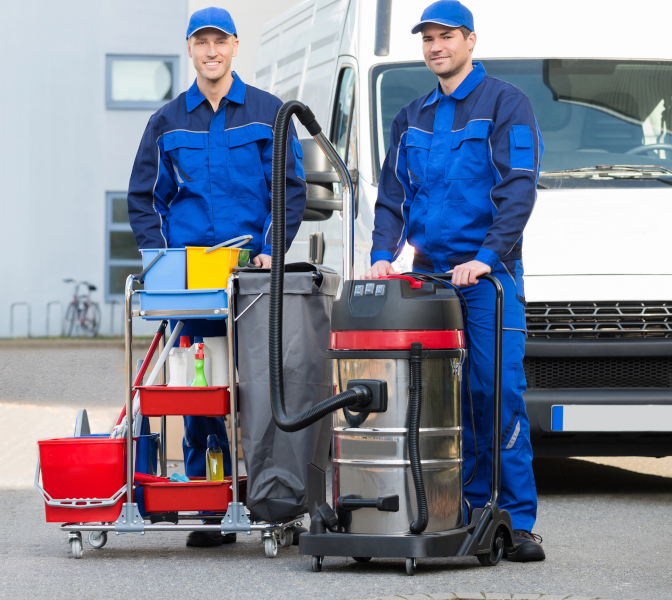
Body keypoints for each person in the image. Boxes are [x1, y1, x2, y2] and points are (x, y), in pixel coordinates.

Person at [363, 0, 545, 561]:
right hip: (429, 283)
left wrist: (488, 256)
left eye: (446, 37)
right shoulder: (410, 116)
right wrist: (379, 254)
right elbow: (393, 196)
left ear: (470, 40)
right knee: (439, 403)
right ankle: (456, 513)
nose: (435, 47)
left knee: (496, 393)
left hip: (487, 279)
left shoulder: (506, 104)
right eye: (428, 39)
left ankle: (514, 521)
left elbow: (520, 186)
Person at [128, 7, 306, 547]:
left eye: (220, 42)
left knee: (261, 385)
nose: (211, 51)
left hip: (253, 278)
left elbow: (290, 189)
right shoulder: (167, 122)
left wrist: (272, 251)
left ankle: (270, 497)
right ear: (190, 49)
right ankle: (212, 502)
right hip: (193, 281)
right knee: (197, 389)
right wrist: (163, 265)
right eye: (201, 42)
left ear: (234, 47)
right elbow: (144, 200)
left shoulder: (268, 113)